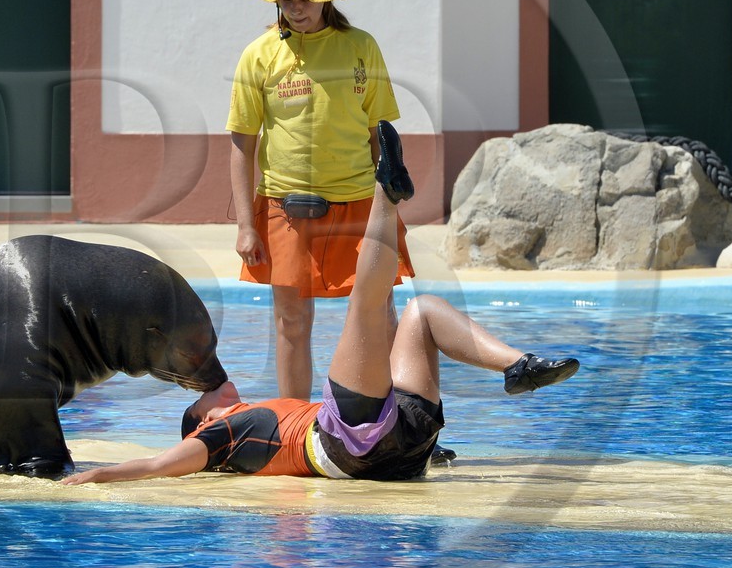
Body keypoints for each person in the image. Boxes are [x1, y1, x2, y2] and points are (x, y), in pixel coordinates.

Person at [62, 122, 580, 486]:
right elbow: (157, 466)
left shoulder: (244, 418)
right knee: (366, 305)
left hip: (404, 445)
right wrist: (100, 474)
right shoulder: (220, 435)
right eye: (198, 402)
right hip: (347, 443)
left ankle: (518, 367)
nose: (207, 392)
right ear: (200, 422)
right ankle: (385, 192)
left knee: (420, 313)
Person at [227, 0, 415, 401]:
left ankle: (399, 419)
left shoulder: (360, 46)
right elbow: (241, 144)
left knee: (378, 312)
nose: (296, 8)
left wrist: (384, 204)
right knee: (291, 320)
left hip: (357, 203)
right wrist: (245, 226)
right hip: (284, 206)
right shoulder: (258, 55)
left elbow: (379, 131)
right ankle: (295, 423)